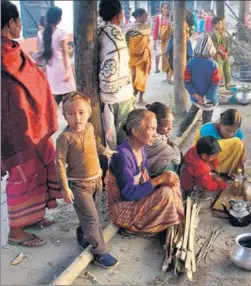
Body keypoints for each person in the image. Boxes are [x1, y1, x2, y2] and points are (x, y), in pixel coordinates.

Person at [1, 1, 61, 247]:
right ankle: (16, 231)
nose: (21, 25)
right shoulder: (4, 55)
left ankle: (34, 216)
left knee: (39, 166)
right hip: (15, 129)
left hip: (33, 123)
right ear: (12, 23)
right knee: (21, 175)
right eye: (18, 21)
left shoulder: (13, 48)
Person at [55, 92, 118, 268]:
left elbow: (94, 143)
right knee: (91, 218)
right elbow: (59, 163)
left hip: (96, 181)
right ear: (65, 116)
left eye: (81, 113)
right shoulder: (64, 138)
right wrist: (64, 188)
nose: (77, 118)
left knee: (93, 215)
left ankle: (82, 233)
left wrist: (103, 150)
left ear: (89, 112)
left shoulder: (90, 127)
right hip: (79, 185)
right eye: (71, 114)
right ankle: (100, 252)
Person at [105, 109, 184, 237]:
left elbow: (145, 175)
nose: (155, 134)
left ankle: (163, 217)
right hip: (122, 207)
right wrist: (158, 181)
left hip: (136, 196)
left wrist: (161, 181)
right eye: (151, 129)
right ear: (135, 132)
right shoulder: (122, 156)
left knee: (171, 179)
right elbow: (128, 194)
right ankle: (135, 227)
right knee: (166, 193)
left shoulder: (140, 148)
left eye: (155, 129)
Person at [98, 0, 136, 150]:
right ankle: (124, 164)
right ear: (118, 14)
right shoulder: (116, 34)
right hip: (120, 95)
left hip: (107, 94)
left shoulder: (100, 30)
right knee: (124, 135)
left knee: (112, 134)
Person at [177, 34, 221, 137]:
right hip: (209, 100)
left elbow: (187, 81)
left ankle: (180, 131)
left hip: (196, 97)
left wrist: (196, 95)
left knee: (191, 114)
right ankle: (203, 138)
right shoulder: (214, 65)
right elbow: (215, 84)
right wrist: (206, 98)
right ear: (210, 49)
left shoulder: (191, 63)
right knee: (206, 121)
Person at [193, 109, 246, 178]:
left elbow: (243, 151)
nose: (231, 134)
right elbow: (202, 154)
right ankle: (213, 172)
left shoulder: (238, 131)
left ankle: (227, 172)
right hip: (202, 159)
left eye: (234, 131)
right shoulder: (208, 130)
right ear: (220, 124)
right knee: (236, 143)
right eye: (228, 130)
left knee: (240, 146)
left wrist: (240, 167)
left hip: (218, 162)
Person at [42, 6, 76, 105]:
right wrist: (67, 71)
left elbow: (43, 53)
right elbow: (65, 53)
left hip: (51, 69)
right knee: (70, 96)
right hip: (62, 67)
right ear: (58, 19)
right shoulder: (61, 32)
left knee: (56, 96)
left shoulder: (43, 33)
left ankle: (51, 117)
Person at [145, 102, 182, 177]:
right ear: (155, 125)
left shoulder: (145, 129)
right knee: (174, 162)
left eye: (171, 124)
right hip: (151, 171)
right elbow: (177, 160)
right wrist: (172, 146)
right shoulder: (155, 140)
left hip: (149, 166)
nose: (170, 128)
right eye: (166, 126)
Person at [125, 8, 151, 103]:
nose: (146, 17)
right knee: (132, 78)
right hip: (132, 58)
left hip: (143, 57)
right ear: (138, 16)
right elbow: (126, 41)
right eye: (145, 15)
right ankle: (132, 97)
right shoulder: (129, 27)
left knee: (142, 78)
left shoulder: (147, 27)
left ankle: (140, 98)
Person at [165, 16, 194, 85]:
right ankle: (170, 79)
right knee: (173, 65)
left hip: (184, 47)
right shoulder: (174, 26)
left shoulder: (187, 26)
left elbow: (188, 35)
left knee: (185, 63)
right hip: (174, 48)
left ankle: (184, 79)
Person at [211, 16, 231, 91]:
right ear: (214, 25)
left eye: (221, 24)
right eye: (219, 24)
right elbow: (215, 47)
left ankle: (227, 85)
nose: (221, 25)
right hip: (217, 55)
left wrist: (227, 52)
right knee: (219, 71)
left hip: (224, 55)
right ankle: (219, 88)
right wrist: (223, 54)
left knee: (227, 70)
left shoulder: (223, 33)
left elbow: (227, 44)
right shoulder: (213, 34)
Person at [153, 3, 172, 77]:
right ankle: (167, 74)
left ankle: (169, 74)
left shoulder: (172, 17)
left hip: (170, 40)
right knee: (165, 57)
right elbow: (156, 29)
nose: (166, 10)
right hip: (162, 41)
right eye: (165, 8)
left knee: (170, 57)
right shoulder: (159, 18)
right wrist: (155, 41)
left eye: (168, 8)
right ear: (161, 9)